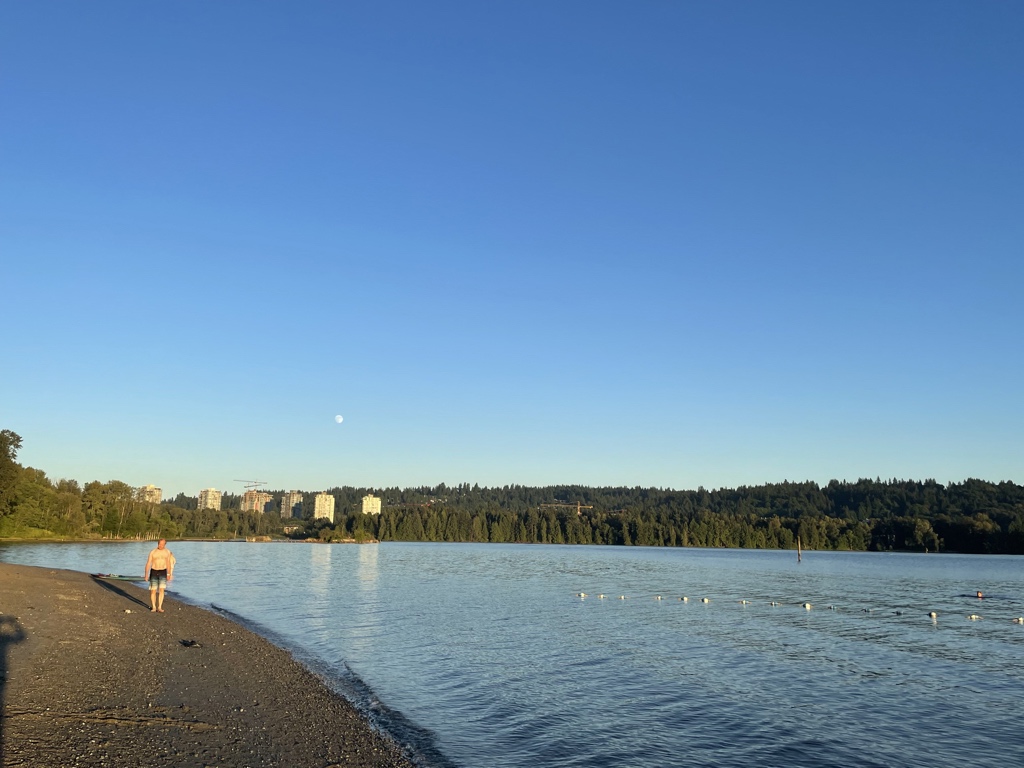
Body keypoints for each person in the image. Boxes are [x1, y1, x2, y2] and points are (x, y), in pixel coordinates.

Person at [144, 539, 176, 613]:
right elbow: (148, 563)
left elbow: (168, 563)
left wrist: (169, 574)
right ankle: (154, 607)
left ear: (165, 544)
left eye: (162, 544)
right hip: (154, 571)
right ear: (158, 544)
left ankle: (159, 607)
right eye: (159, 544)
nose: (160, 546)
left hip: (163, 571)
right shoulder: (153, 552)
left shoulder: (167, 552)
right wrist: (146, 574)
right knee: (153, 590)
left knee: (162, 590)